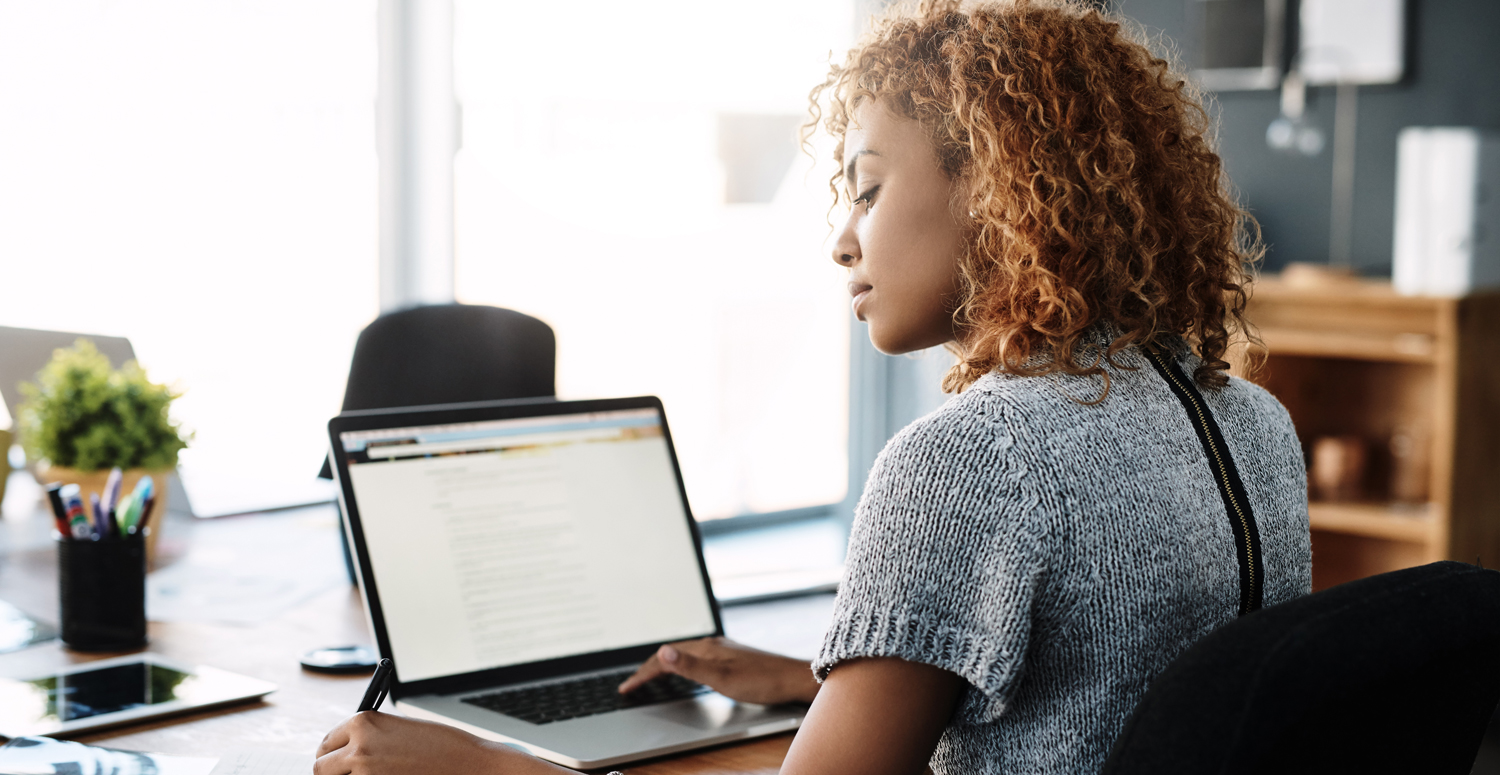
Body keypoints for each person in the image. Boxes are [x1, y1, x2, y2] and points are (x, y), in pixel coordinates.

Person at [313, 0, 1311, 772]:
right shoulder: (1250, 418)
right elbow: (1110, 690)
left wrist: (491, 765)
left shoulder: (977, 456)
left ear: (999, 188)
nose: (842, 239)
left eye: (869, 188)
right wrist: (824, 681)